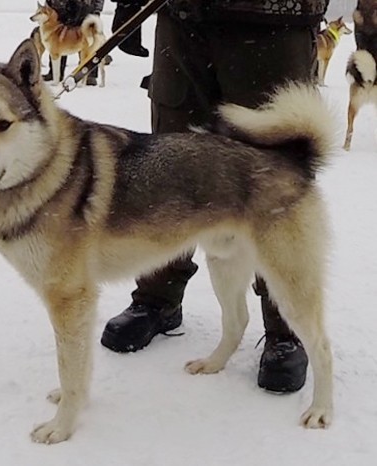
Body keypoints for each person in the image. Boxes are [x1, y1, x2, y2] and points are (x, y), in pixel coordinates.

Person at [101, 0, 330, 394]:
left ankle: (285, 328)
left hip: (275, 18)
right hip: (185, 17)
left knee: (272, 176)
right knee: (167, 167)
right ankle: (158, 298)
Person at [43, 0, 105, 86]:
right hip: (63, 7)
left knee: (87, 42)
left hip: (85, 7)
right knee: (58, 40)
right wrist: (49, 4)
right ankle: (55, 73)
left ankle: (90, 73)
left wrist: (97, 9)